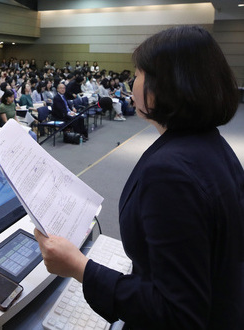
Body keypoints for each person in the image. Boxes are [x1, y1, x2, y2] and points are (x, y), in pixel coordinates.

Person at [35, 25, 243, 329]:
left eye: (139, 74)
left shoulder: (171, 174)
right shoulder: (210, 143)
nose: (133, 83)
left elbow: (177, 314)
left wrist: (80, 267)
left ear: (167, 87)